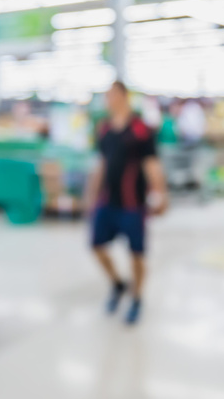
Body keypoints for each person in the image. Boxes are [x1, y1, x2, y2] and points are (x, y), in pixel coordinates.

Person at [84, 81, 168, 325]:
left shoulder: (140, 129)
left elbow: (151, 164)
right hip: (107, 202)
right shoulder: (104, 129)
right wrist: (91, 195)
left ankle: (137, 297)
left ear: (123, 96)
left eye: (111, 95)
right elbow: (101, 164)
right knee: (96, 246)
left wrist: (162, 194)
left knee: (137, 255)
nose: (108, 99)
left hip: (133, 204)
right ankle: (117, 284)